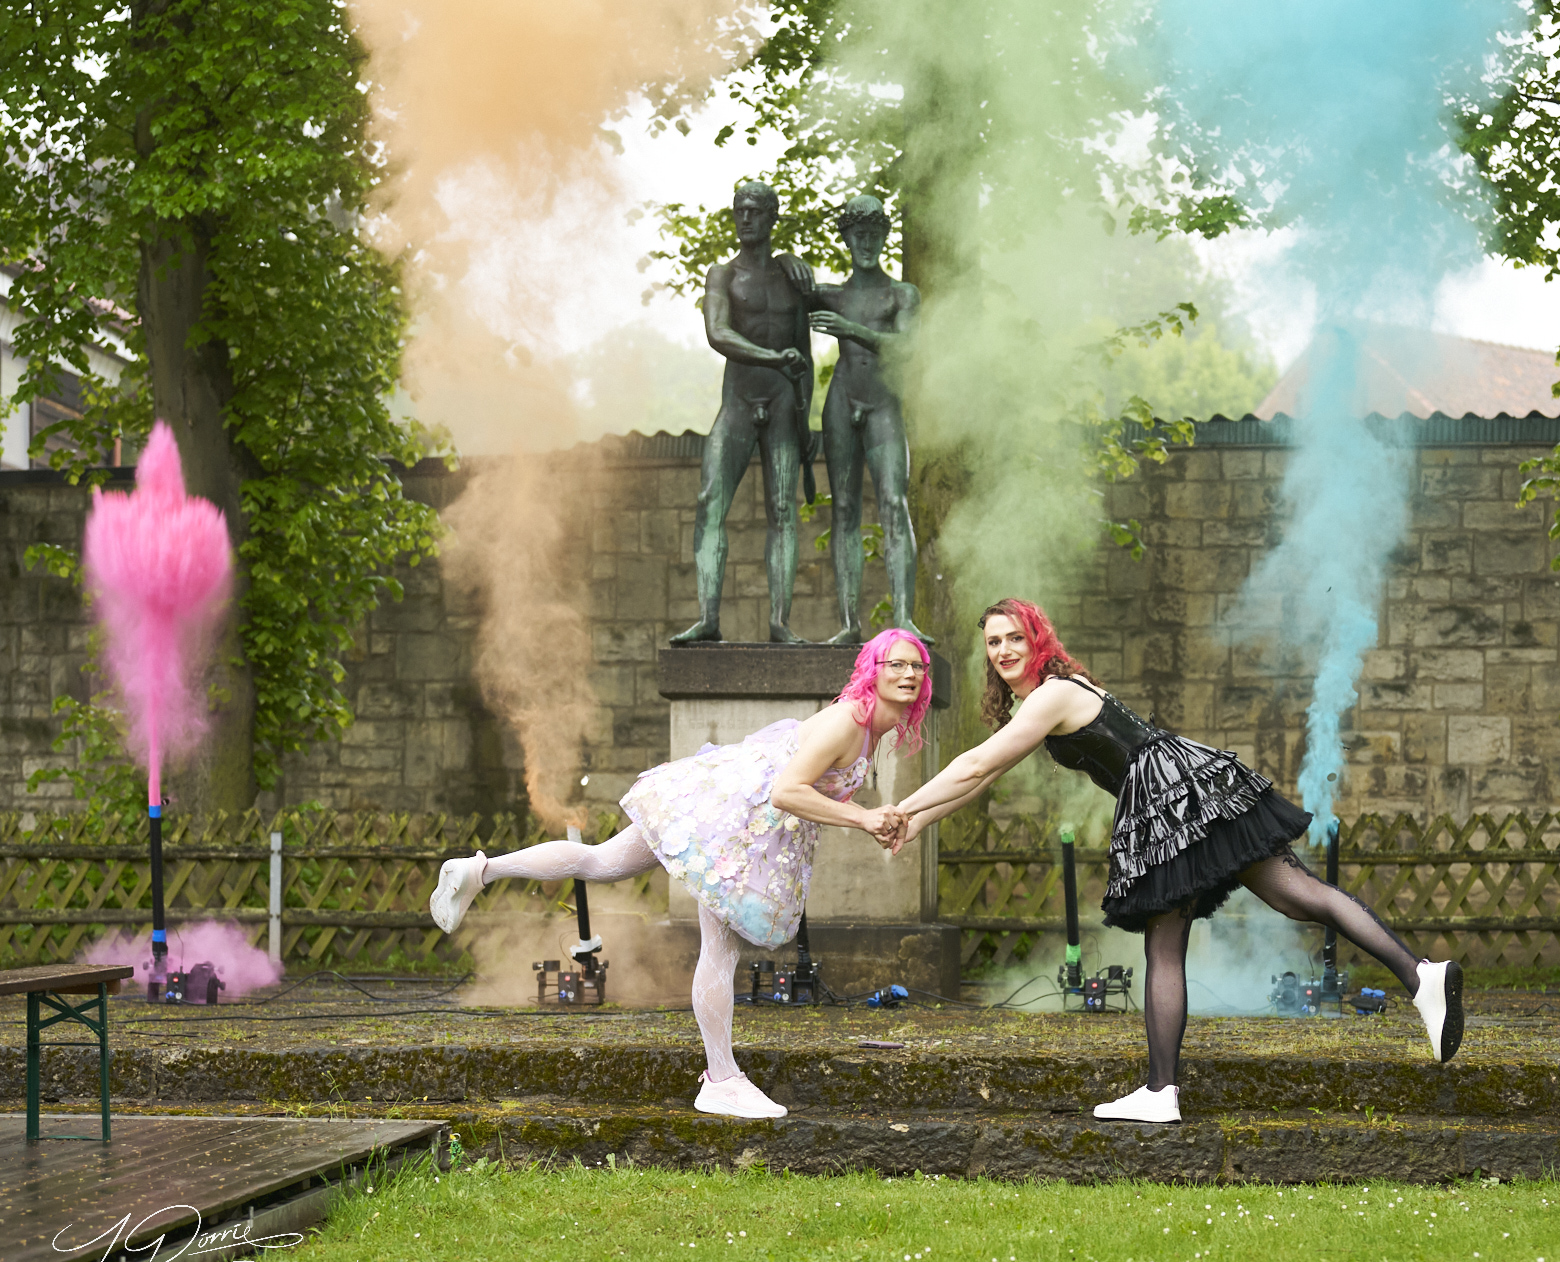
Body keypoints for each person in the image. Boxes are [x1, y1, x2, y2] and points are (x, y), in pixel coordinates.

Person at [887, 599, 1463, 1124]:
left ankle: (1162, 1091)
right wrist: (915, 822)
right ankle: (1421, 976)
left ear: (1039, 639)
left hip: (1169, 798)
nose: (1004, 650)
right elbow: (981, 776)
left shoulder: (1053, 694)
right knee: (1296, 894)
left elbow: (973, 764)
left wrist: (900, 807)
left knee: (1170, 942)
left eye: (1015, 637)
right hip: (1182, 787)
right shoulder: (1048, 696)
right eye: (994, 642)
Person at [429, 629, 931, 1119]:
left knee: (602, 861)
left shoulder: (869, 728)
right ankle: (721, 1079)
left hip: (730, 812)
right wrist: (863, 819)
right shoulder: (848, 722)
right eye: (896, 664)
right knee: (719, 950)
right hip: (736, 825)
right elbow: (787, 792)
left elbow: (813, 788)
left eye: (916, 666)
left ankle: (480, 871)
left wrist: (872, 817)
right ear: (873, 669)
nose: (908, 673)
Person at [672, 178, 816, 644]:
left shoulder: (791, 276)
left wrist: (805, 419)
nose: (746, 218)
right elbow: (718, 333)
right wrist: (774, 359)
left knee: (783, 510)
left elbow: (805, 352)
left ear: (773, 217)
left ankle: (780, 622)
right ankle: (708, 618)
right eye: (740, 210)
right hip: (738, 402)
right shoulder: (722, 275)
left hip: (783, 404)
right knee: (710, 500)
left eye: (755, 210)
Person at [806, 194, 925, 644]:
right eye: (859, 235)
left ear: (885, 236)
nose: (867, 243)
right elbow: (782, 291)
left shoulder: (901, 294)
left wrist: (852, 329)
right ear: (847, 238)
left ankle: (904, 616)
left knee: (894, 503)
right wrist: (788, 261)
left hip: (882, 402)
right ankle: (849, 623)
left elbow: (906, 348)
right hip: (842, 400)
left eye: (875, 234)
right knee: (844, 508)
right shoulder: (832, 295)